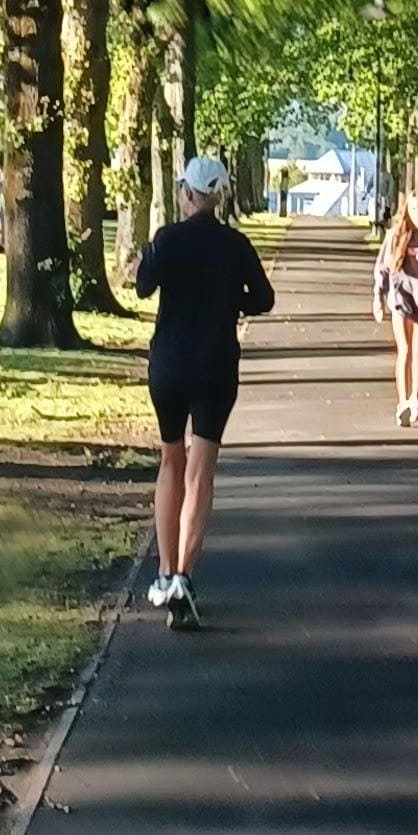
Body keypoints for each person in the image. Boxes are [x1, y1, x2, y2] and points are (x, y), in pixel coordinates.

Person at [134, 155, 275, 630]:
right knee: (202, 469)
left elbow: (141, 285)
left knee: (170, 459)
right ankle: (186, 576)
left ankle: (163, 569)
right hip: (216, 364)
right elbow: (264, 298)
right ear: (220, 195)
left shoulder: (167, 239)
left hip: (169, 363)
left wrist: (146, 261)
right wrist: (229, 298)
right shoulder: (234, 244)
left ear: (185, 192)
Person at [372, 182, 418, 424]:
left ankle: (416, 398)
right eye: (413, 210)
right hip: (401, 296)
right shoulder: (395, 235)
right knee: (404, 349)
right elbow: (382, 267)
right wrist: (378, 298)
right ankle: (402, 402)